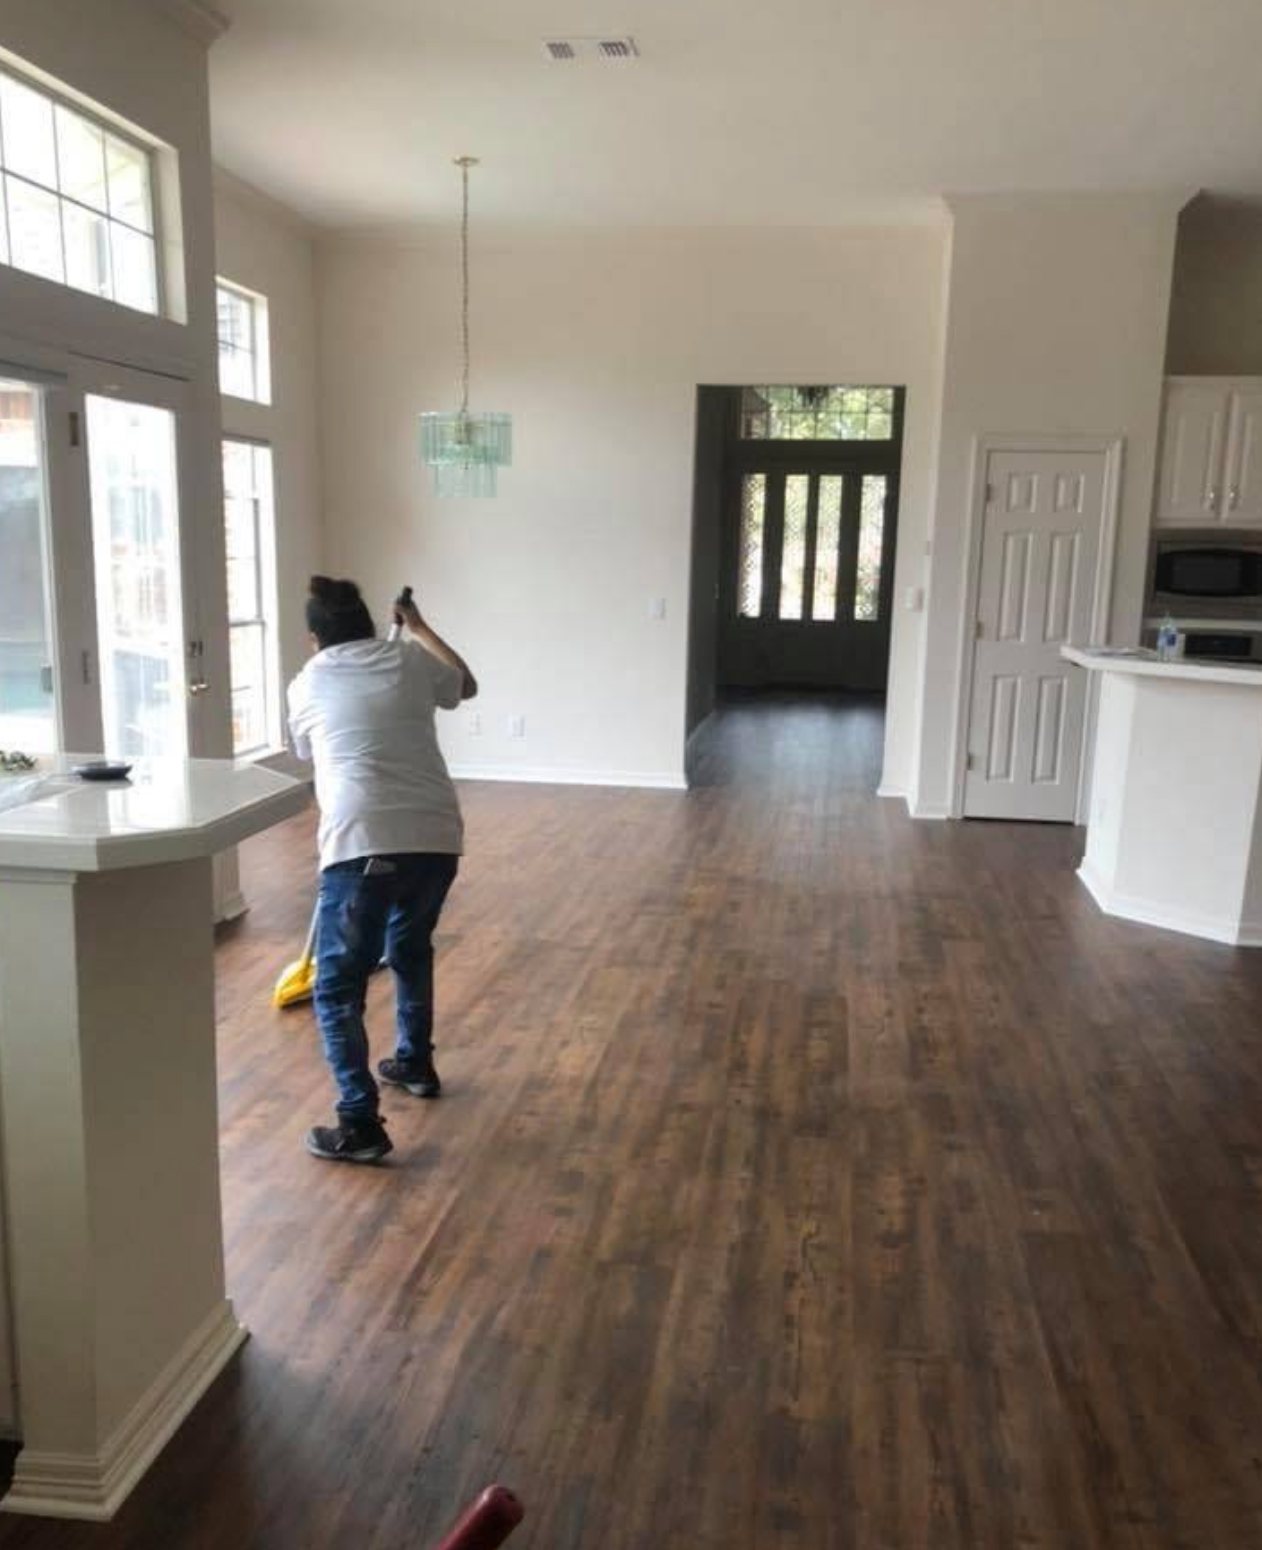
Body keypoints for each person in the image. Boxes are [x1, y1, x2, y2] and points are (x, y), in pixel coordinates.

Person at [287, 575, 477, 1164]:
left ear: (314, 637)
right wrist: (419, 629)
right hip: (436, 836)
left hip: (360, 841)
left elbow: (303, 751)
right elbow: (466, 684)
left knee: (338, 988)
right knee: (410, 948)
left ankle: (359, 1122)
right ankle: (414, 1061)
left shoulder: (308, 681)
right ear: (370, 624)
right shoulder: (409, 658)